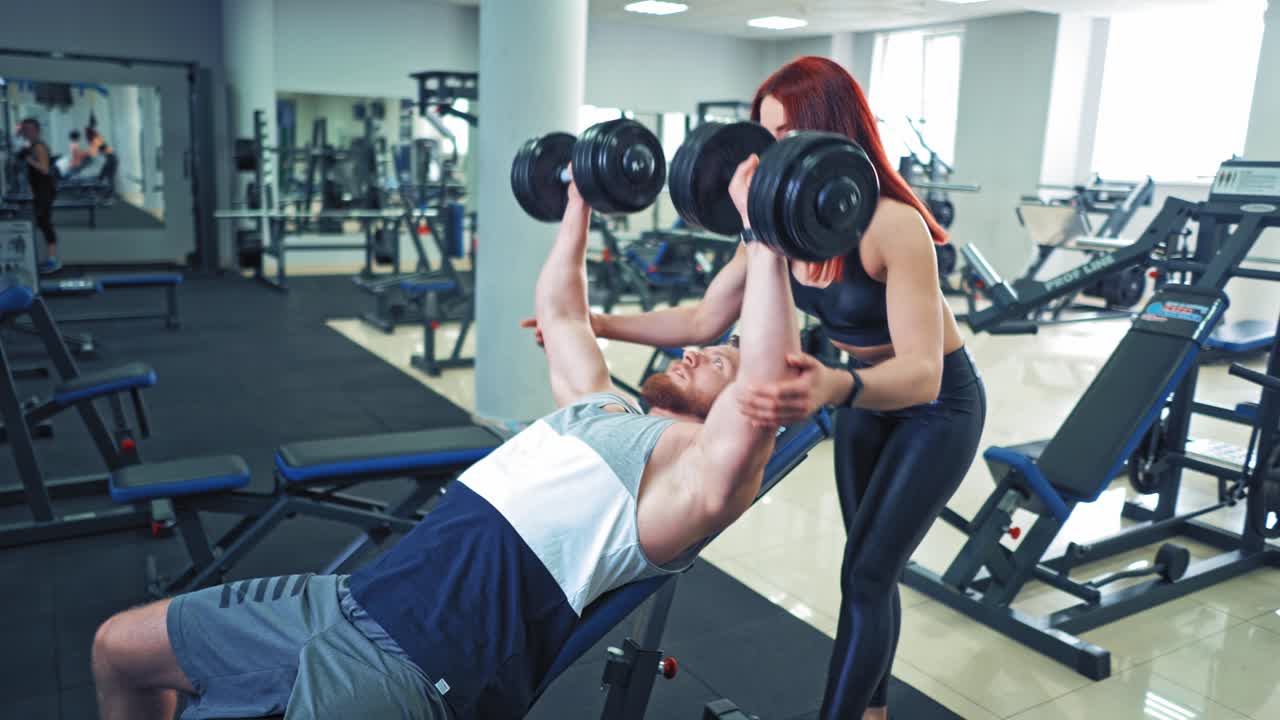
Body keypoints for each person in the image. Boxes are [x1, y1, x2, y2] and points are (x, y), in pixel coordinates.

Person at [90, 173, 804, 720]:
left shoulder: (686, 481)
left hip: (407, 669)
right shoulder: (600, 407)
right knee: (119, 649)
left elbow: (763, 397)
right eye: (710, 345)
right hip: (341, 602)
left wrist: (764, 232)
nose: (700, 351)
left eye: (725, 360)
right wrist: (581, 200)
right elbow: (562, 311)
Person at [586, 56, 987, 720]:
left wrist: (835, 382)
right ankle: (873, 710)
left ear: (827, 133)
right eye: (761, 136)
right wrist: (598, 323)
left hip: (934, 409)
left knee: (866, 575)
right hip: (857, 395)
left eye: (783, 135)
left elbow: (924, 373)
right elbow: (701, 318)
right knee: (866, 569)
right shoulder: (771, 226)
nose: (767, 155)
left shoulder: (891, 225)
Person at [16, 118, 60, 274]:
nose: (27, 132)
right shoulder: (31, 146)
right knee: (41, 223)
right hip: (39, 190)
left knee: (45, 223)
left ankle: (53, 261)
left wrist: (28, 159)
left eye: (29, 129)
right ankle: (48, 259)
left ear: (36, 131)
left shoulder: (39, 147)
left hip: (45, 191)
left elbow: (45, 169)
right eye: (25, 129)